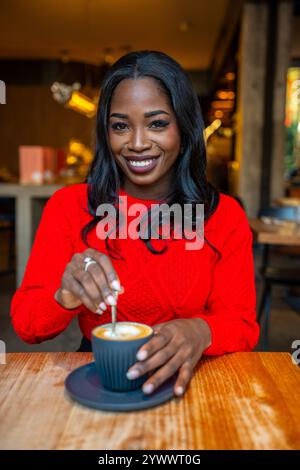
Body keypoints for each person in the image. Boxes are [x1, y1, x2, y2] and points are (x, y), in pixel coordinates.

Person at [10, 51, 259, 397]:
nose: (138, 143)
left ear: (184, 127)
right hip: (100, 378)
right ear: (106, 131)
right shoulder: (69, 207)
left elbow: (242, 326)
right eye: (121, 126)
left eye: (157, 123)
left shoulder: (224, 216)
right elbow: (26, 324)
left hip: (195, 380)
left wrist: (201, 331)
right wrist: (65, 295)